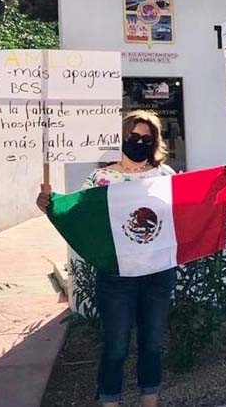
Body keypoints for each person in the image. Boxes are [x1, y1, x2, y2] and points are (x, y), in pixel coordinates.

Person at [37, 110, 177, 407]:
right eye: (133, 137)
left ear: (155, 143)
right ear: (120, 138)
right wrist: (50, 205)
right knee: (116, 347)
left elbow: (183, 211)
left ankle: (150, 401)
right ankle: (110, 401)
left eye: (146, 139)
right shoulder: (100, 178)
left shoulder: (165, 176)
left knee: (153, 344)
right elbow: (79, 216)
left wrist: (215, 189)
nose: (139, 143)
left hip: (158, 274)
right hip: (116, 278)